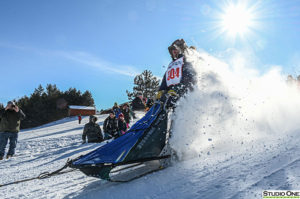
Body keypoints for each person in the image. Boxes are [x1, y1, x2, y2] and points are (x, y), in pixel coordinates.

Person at [156, 39, 197, 107]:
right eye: (172, 49)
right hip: (169, 95)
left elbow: (190, 76)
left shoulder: (186, 60)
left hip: (183, 94)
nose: (174, 51)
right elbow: (166, 78)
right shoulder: (172, 64)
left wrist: (177, 88)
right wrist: (161, 90)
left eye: (176, 48)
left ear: (181, 49)